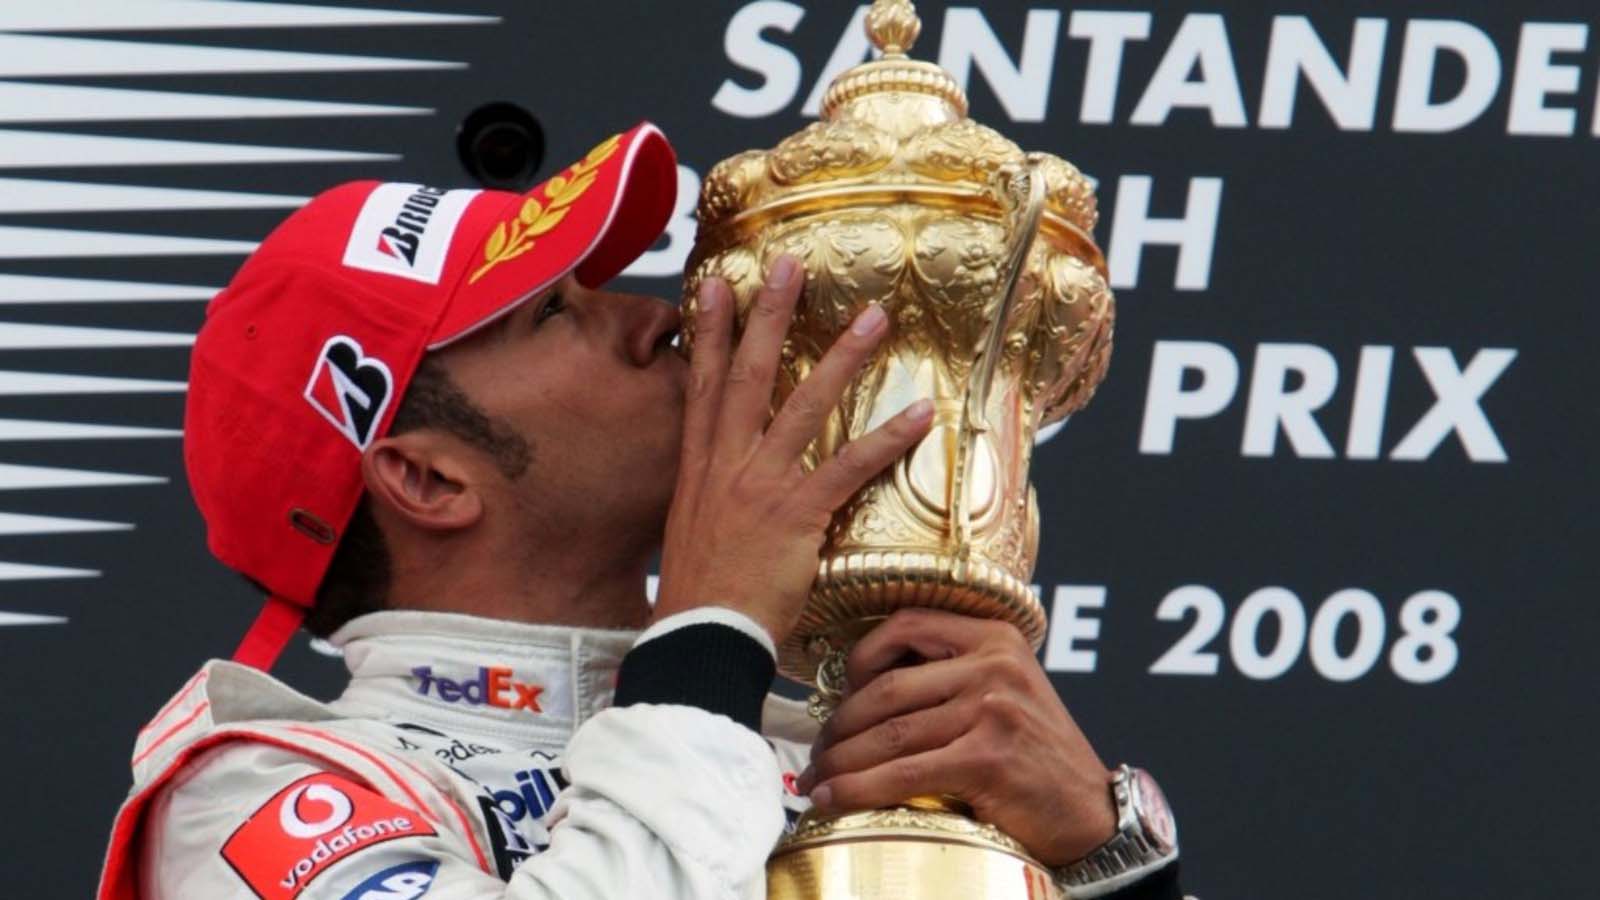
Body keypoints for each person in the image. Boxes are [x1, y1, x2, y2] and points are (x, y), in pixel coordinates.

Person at [96, 123, 1188, 900]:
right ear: (427, 480)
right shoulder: (255, 803)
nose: (652, 317)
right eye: (553, 315)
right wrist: (706, 644)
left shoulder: (840, 749)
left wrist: (1108, 861)